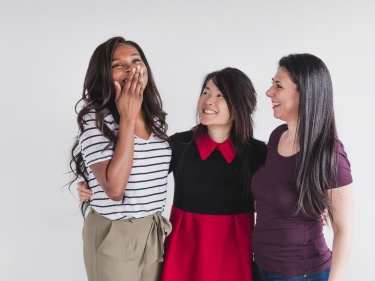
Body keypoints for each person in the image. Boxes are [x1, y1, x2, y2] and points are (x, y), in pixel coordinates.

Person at [78, 67, 266, 281]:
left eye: (220, 95)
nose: (208, 100)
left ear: (243, 104)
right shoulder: (179, 144)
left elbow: (276, 193)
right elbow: (139, 173)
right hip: (184, 250)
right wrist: (91, 182)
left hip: (233, 252)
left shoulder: (258, 153)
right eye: (205, 92)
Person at [69, 36, 172, 281]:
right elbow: (115, 189)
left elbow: (151, 172)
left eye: (136, 60)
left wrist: (88, 181)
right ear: (105, 74)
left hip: (153, 230)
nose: (131, 68)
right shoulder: (94, 118)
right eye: (118, 65)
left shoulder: (155, 119)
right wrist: (127, 117)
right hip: (114, 232)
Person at [251, 53, 354, 281]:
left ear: (304, 93)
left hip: (301, 274)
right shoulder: (277, 137)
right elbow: (269, 200)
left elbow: (344, 230)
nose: (269, 92)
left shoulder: (330, 154)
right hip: (260, 267)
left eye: (278, 86)